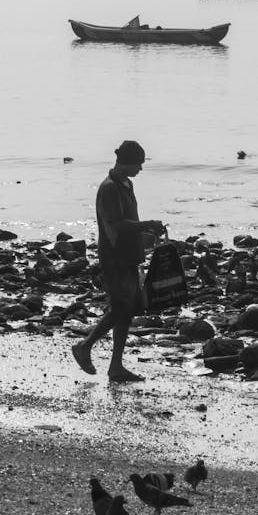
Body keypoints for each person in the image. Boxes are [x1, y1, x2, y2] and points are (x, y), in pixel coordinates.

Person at [72, 140, 164, 382]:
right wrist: (147, 225)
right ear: (127, 161)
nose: (140, 169)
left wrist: (144, 235)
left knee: (127, 310)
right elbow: (115, 225)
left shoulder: (126, 184)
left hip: (129, 254)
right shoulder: (109, 188)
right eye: (139, 164)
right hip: (113, 256)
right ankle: (85, 346)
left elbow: (128, 221)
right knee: (120, 308)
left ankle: (115, 366)